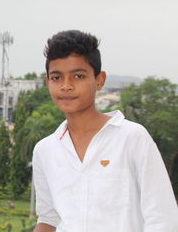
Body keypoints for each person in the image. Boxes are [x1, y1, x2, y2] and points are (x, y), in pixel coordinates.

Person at [32, 30, 178, 232]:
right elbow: (49, 219)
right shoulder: (45, 149)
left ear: (99, 80)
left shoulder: (132, 138)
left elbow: (162, 218)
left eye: (78, 76)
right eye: (57, 77)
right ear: (48, 82)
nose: (66, 86)